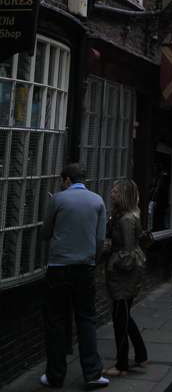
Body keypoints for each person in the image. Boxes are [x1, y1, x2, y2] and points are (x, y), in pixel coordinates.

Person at [40, 163, 109, 389]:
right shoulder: (98, 201)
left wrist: (55, 206)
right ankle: (91, 373)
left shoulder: (57, 200)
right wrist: (94, 259)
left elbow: (45, 234)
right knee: (87, 320)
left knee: (56, 321)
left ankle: (55, 376)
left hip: (59, 268)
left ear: (67, 180)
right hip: (85, 268)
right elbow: (100, 239)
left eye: (61, 181)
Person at [103, 179, 148, 378]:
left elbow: (128, 253)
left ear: (123, 196)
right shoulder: (122, 215)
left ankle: (121, 365)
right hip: (124, 274)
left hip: (124, 275)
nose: (111, 194)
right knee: (124, 316)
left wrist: (113, 261)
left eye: (115, 192)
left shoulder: (127, 219)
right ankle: (141, 356)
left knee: (120, 318)